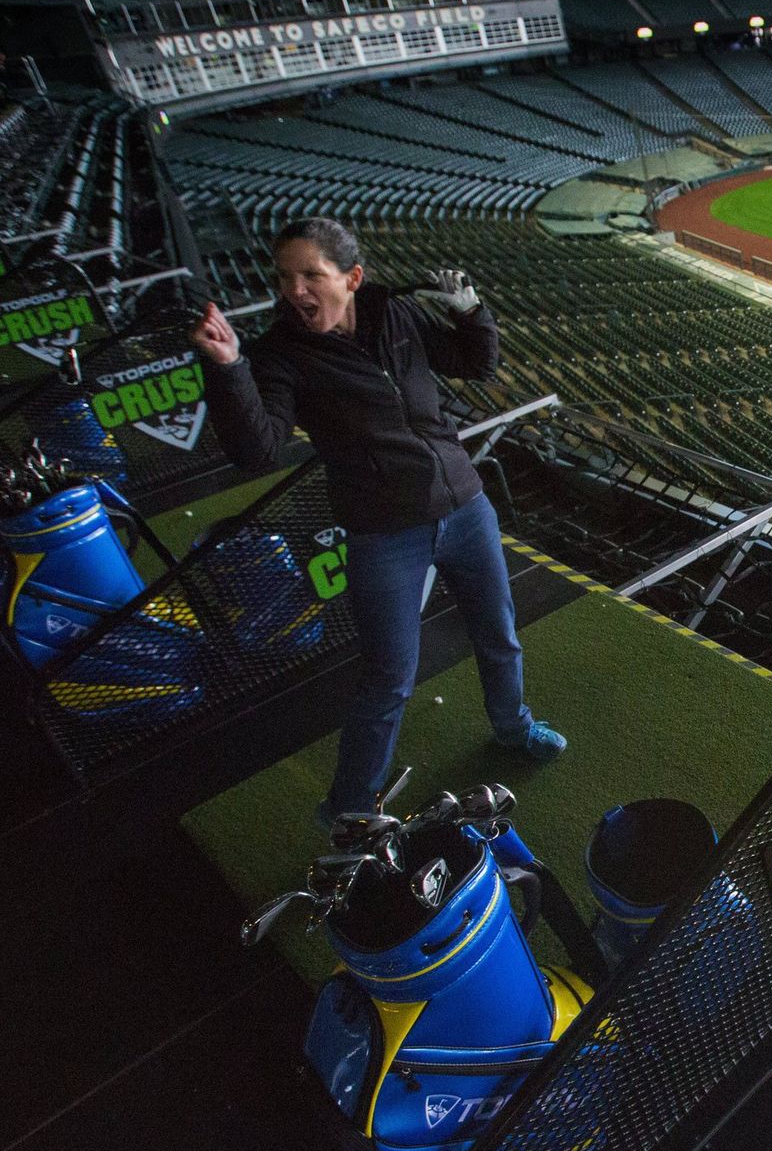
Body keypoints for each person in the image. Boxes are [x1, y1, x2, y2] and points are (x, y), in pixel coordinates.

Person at [189, 217, 564, 832]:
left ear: (352, 278)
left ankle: (513, 727)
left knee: (499, 634)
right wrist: (230, 368)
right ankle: (349, 809)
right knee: (389, 678)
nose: (295, 290)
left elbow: (477, 363)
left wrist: (470, 312)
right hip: (384, 532)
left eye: (312, 275)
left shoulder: (398, 315)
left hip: (465, 507)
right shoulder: (281, 354)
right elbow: (258, 449)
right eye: (286, 277)